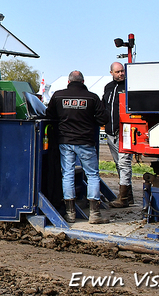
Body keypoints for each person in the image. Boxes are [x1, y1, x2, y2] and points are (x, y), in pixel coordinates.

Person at [46, 71, 109, 224]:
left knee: (67, 174)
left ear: (68, 81)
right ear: (83, 81)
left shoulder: (58, 96)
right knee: (92, 175)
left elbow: (49, 114)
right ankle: (95, 214)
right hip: (86, 141)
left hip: (65, 142)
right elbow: (103, 118)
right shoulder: (92, 97)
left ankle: (70, 214)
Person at [103, 61, 133, 207]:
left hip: (125, 131)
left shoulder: (129, 86)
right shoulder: (108, 87)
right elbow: (104, 107)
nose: (121, 74)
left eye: (122, 71)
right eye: (117, 72)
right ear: (111, 73)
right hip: (110, 132)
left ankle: (123, 198)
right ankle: (128, 194)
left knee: (124, 162)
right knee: (118, 164)